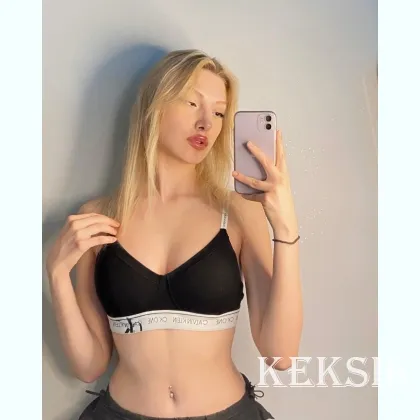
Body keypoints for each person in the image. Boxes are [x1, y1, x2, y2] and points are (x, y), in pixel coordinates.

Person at [46, 49, 303, 420]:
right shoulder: (97, 217)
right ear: (155, 106)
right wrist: (56, 274)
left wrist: (286, 227)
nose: (206, 123)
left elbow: (281, 355)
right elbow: (89, 365)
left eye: (219, 113)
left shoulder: (237, 213)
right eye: (191, 103)